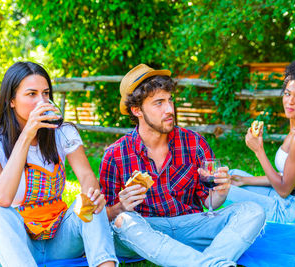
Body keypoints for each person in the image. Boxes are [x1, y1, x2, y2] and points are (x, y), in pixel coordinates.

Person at [99, 64, 265, 267]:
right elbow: (103, 217)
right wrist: (120, 207)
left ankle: (201, 263)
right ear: (137, 110)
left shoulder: (194, 143)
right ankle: (212, 263)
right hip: (144, 231)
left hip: (190, 225)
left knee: (253, 211)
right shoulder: (115, 155)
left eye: (170, 100)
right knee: (123, 222)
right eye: (159, 103)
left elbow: (209, 202)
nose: (169, 110)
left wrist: (220, 191)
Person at [0, 62, 117, 267]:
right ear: (11, 101)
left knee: (87, 201)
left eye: (45, 93)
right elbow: (2, 197)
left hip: (59, 240)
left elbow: (87, 176)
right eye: (31, 94)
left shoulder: (62, 132)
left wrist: (92, 194)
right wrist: (26, 135)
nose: (41, 101)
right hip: (14, 246)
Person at [227, 57, 295, 224]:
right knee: (232, 176)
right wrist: (246, 180)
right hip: (291, 198)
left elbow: (284, 189)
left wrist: (258, 150)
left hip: (294, 212)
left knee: (221, 189)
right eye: (287, 94)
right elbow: (287, 177)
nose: (290, 101)